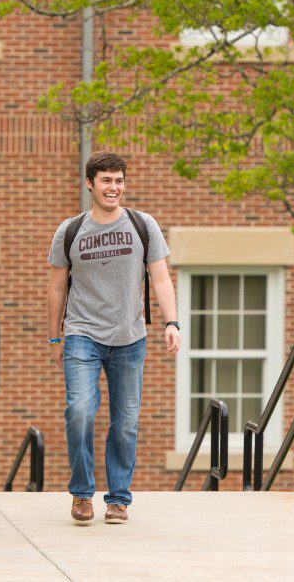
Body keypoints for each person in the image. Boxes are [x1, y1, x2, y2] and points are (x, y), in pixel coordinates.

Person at [48, 151, 181, 525]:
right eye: (106, 180)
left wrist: (172, 322)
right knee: (79, 412)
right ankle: (81, 493)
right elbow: (56, 288)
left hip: (129, 337)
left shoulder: (143, 225)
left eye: (119, 180)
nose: (114, 187)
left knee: (125, 422)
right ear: (90, 184)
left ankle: (118, 499)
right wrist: (54, 338)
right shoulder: (70, 231)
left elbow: (160, 278)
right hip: (81, 335)